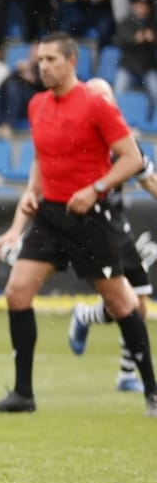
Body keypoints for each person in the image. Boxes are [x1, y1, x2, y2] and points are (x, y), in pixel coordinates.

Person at [0, 35, 157, 416]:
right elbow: (40, 159)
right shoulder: (37, 104)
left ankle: (152, 392)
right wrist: (26, 204)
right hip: (49, 215)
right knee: (16, 293)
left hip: (90, 219)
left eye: (51, 59)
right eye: (40, 59)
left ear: (72, 62)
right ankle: (23, 395)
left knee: (120, 302)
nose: (43, 66)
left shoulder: (96, 103)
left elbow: (131, 159)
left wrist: (96, 189)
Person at [67, 79, 157, 394]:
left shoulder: (123, 143)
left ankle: (125, 372)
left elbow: (149, 181)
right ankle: (86, 316)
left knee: (139, 302)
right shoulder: (77, 139)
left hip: (116, 224)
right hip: (89, 224)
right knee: (125, 301)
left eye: (107, 99)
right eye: (97, 98)